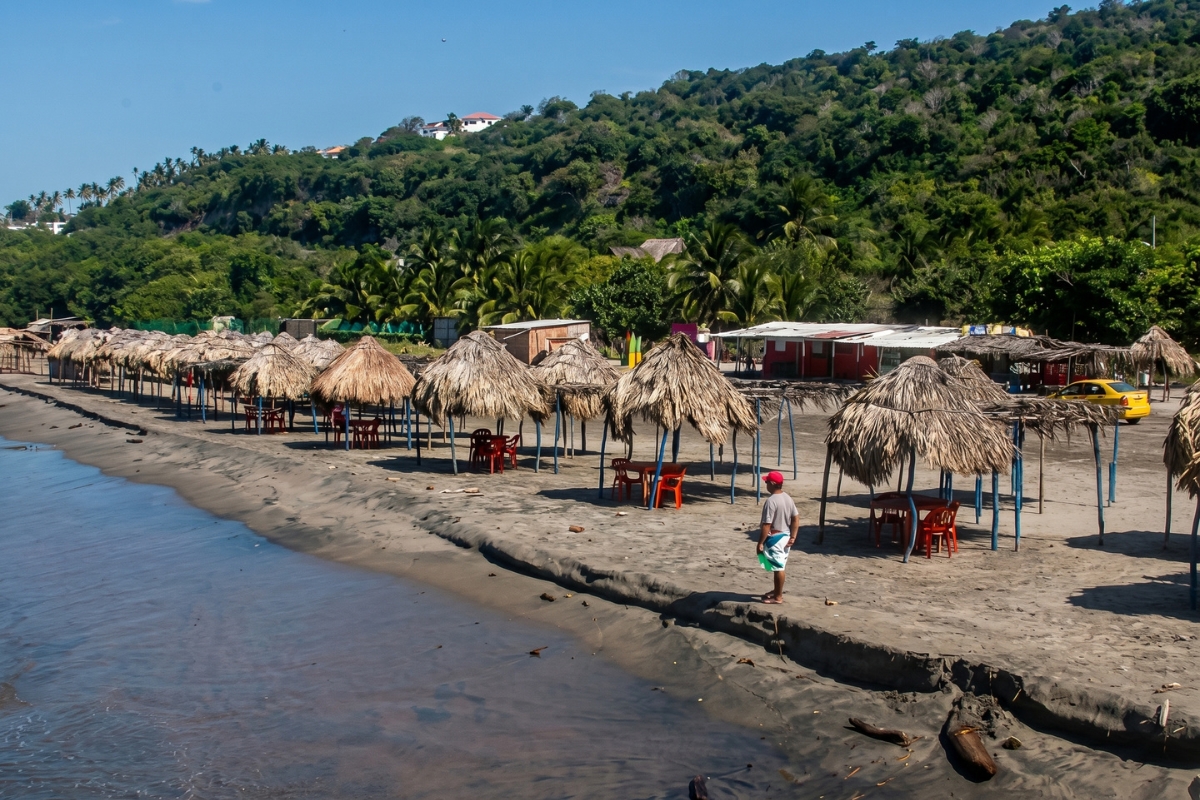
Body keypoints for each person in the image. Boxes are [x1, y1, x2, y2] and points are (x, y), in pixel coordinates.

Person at [757, 471, 800, 604]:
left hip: (775, 537)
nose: (766, 485)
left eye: (766, 482)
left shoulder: (771, 501)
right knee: (777, 565)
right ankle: (777, 591)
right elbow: (795, 518)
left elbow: (766, 525)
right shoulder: (787, 497)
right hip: (785, 536)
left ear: (772, 483)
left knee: (778, 567)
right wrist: (793, 536)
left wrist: (760, 542)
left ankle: (778, 597)